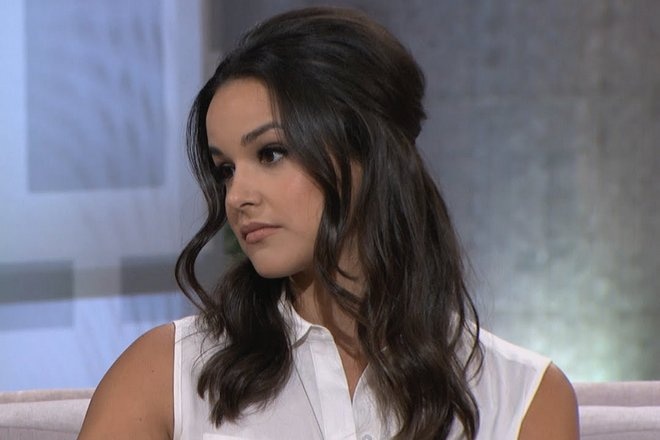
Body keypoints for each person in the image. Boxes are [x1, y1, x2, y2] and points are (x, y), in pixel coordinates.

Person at [78, 6, 579, 440]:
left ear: (369, 152)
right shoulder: (164, 376)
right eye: (225, 169)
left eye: (271, 153)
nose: (237, 197)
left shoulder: (524, 397)